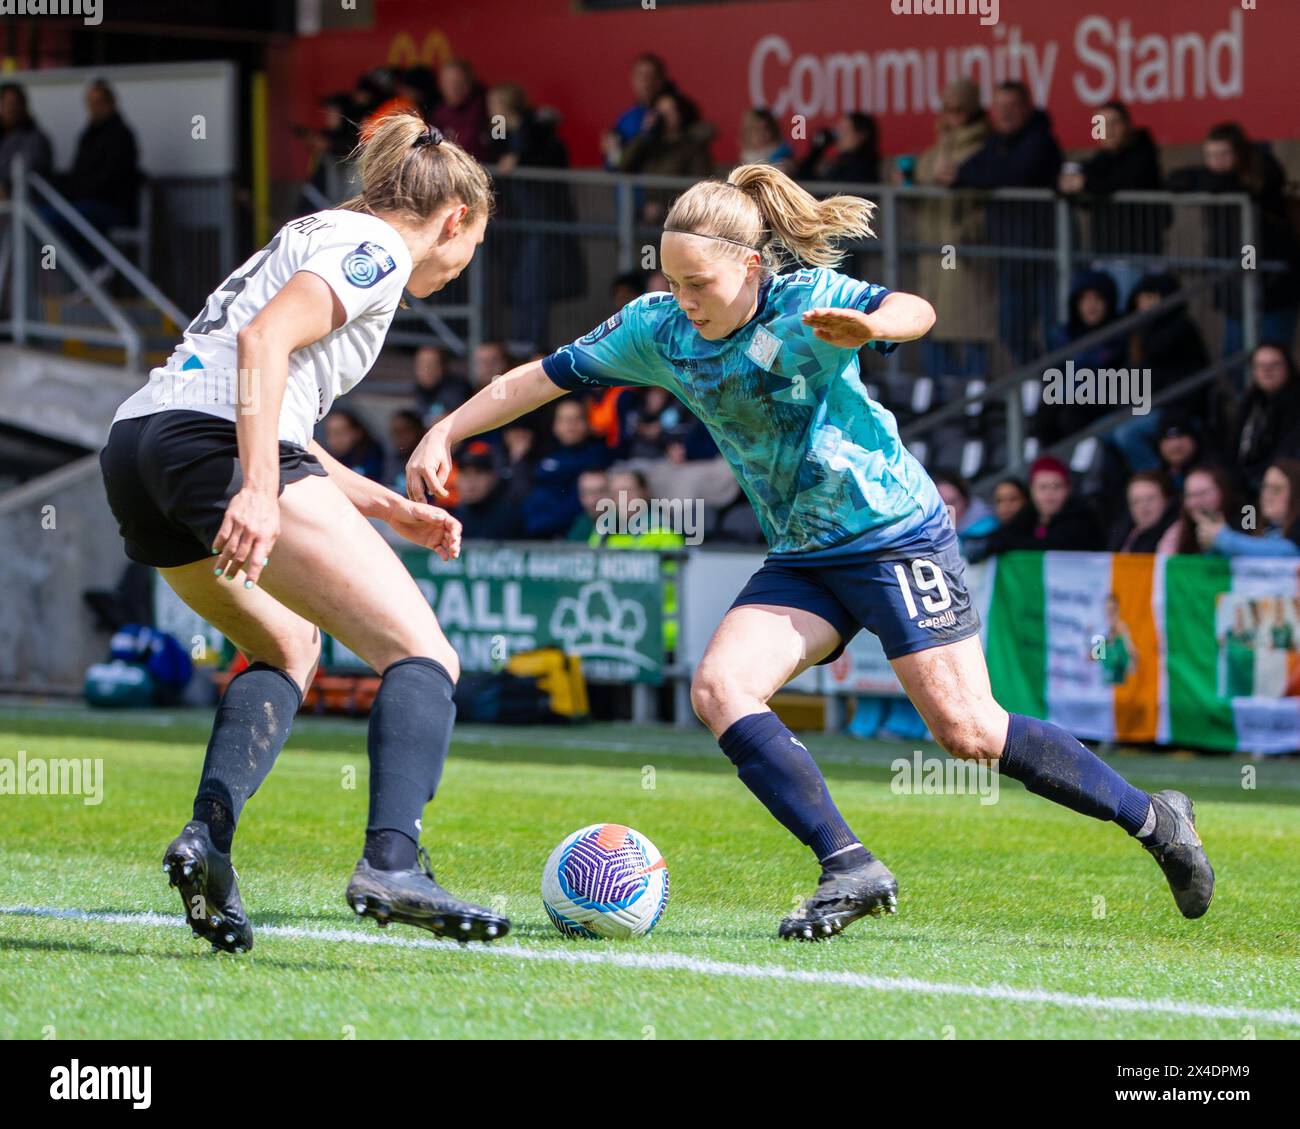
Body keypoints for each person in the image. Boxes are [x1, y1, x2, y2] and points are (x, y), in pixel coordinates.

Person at [406, 163, 1214, 937]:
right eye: (675, 282)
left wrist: (871, 327)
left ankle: (1155, 818)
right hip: (803, 552)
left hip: (893, 532)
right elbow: (538, 379)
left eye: (701, 285)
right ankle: (849, 865)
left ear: (751, 265)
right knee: (721, 688)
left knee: (968, 731)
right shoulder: (656, 327)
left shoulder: (807, 302)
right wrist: (447, 427)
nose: (684, 301)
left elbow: (917, 308)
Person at [97, 113, 509, 953]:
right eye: (471, 247)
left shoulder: (314, 230)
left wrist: (386, 506)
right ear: (455, 217)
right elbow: (264, 341)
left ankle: (208, 838)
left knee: (289, 646)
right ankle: (392, 861)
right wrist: (254, 486)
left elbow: (274, 392)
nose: (463, 267)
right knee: (424, 653)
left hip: (141, 444)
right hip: (217, 446)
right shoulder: (382, 248)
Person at [945, 81, 1062, 364]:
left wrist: (964, 177)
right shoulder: (996, 143)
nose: (1005, 114)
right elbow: (973, 168)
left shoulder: (1041, 140)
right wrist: (958, 173)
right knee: (1011, 330)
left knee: (1053, 332)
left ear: (1027, 108)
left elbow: (1016, 174)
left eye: (1012, 107)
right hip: (1011, 256)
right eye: (1000, 107)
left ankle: (1057, 393)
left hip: (1046, 256)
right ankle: (1038, 385)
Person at [912, 79, 992, 380]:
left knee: (970, 329)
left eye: (958, 107)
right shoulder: (941, 144)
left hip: (964, 252)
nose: (951, 113)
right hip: (934, 254)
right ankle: (942, 396)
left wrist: (968, 230)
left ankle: (974, 402)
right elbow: (924, 171)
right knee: (932, 327)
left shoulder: (983, 144)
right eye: (946, 107)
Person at [984, 456, 1103, 553]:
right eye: (1043, 487)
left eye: (1057, 486)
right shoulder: (1028, 514)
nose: (1049, 493)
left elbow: (1048, 547)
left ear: (1068, 489)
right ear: (1031, 490)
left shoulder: (1082, 518)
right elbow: (1004, 535)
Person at [1194, 459, 1300, 558]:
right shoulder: (1252, 522)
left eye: (1276, 489)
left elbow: (1289, 552)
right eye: (1265, 487)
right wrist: (1213, 544)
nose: (1267, 496)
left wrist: (1223, 539)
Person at [450, 441, 524, 539]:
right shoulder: (453, 514)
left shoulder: (509, 514)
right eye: (465, 474)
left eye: (479, 473)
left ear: (492, 478)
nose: (471, 483)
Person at [0, 83, 53, 195]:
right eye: (4, 104)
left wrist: (5, 187)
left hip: (23, 204)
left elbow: (28, 172)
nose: (9, 109)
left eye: (13, 104)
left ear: (23, 106)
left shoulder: (36, 140)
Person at [1107, 471, 1179, 553]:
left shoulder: (1176, 532)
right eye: (1136, 501)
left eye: (1150, 499)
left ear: (1167, 500)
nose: (1143, 506)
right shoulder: (1123, 532)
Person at [321, 407, 385, 482]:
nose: (335, 437)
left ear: (357, 432)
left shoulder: (374, 458)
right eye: (330, 432)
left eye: (341, 431)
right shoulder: (325, 460)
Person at [738, 108, 795, 174]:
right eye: (756, 129)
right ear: (747, 133)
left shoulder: (782, 153)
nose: (761, 134)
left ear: (773, 130)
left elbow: (785, 170)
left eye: (765, 128)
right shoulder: (746, 154)